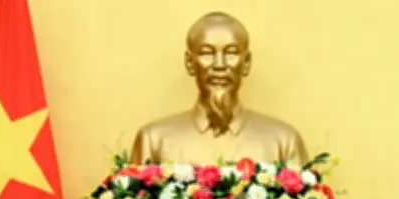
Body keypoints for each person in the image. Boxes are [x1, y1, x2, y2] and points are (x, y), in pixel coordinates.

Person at [129, 11, 309, 165]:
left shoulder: (283, 141)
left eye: (231, 52)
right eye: (207, 53)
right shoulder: (153, 141)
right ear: (190, 63)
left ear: (246, 62)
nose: (220, 65)